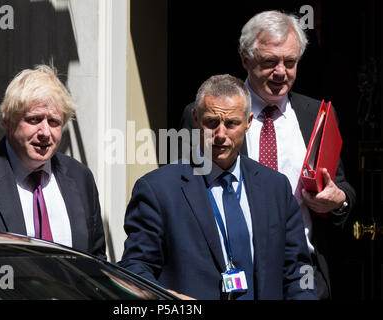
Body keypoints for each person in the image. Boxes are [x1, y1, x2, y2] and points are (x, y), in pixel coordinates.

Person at [179, 10, 356, 299]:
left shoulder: (317, 115)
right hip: (231, 275)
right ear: (245, 59)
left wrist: (338, 201)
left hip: (302, 274)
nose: (280, 72)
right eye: (269, 62)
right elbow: (184, 194)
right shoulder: (205, 117)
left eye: (290, 62)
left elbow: (341, 186)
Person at [119, 74, 317, 300]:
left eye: (232, 123)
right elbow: (134, 268)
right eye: (212, 122)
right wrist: (168, 299)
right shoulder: (158, 190)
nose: (220, 135)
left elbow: (301, 268)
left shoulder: (276, 188)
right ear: (195, 118)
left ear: (249, 122)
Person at [0, 65, 106, 258]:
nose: (45, 133)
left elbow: (96, 260)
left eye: (54, 122)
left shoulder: (80, 177)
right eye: (34, 120)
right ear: (8, 123)